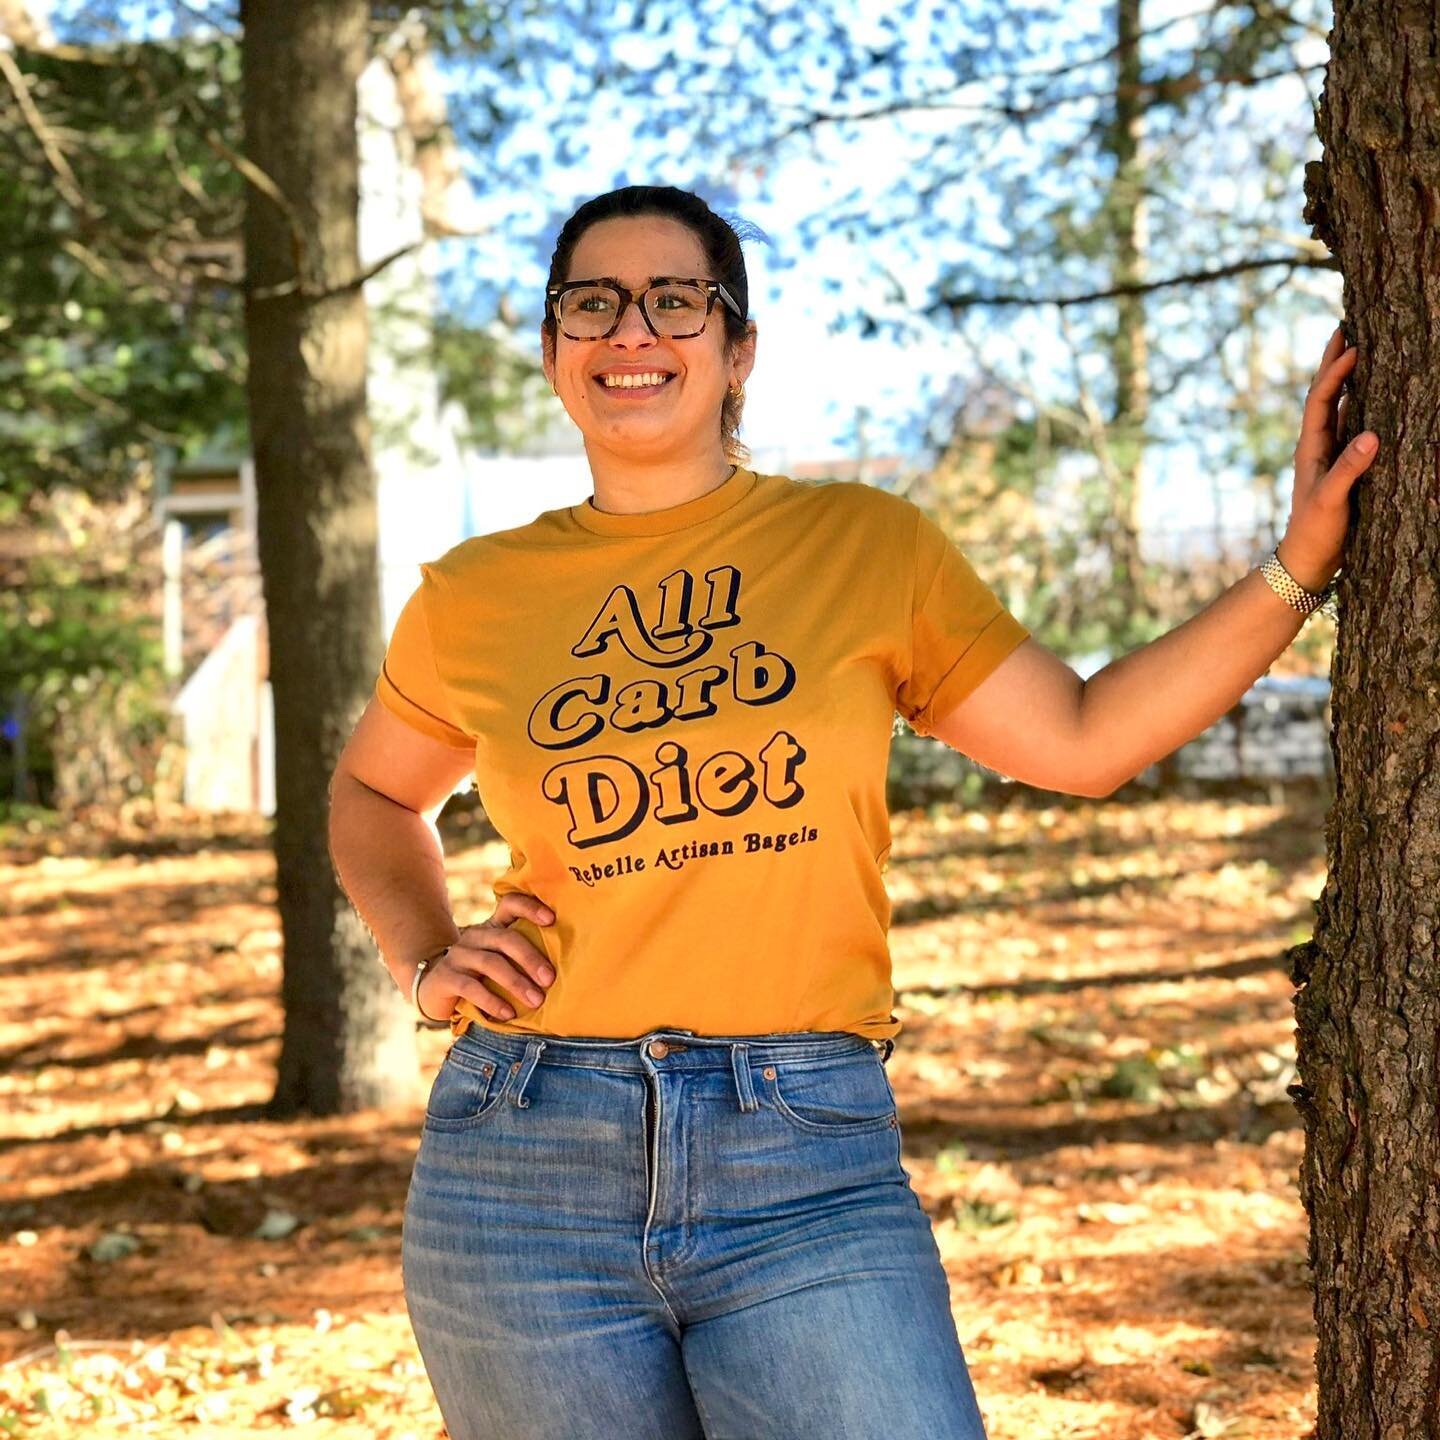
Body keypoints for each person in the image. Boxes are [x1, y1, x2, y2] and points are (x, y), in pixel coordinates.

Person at [328, 184, 1377, 1440]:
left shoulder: (864, 545)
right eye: (591, 304)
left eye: (675, 300)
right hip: (525, 1157)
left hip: (802, 1155)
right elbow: (375, 791)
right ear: (556, 348)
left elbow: (1088, 739)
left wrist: (1298, 564)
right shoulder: (475, 594)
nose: (631, 333)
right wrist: (424, 955)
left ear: (737, 349)